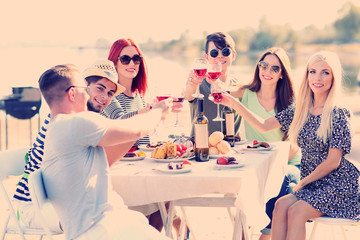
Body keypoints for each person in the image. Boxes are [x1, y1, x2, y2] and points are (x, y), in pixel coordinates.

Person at [213, 51, 360, 240]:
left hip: (339, 186)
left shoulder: (339, 113)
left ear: (333, 78)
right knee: (280, 206)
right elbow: (264, 125)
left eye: (325, 72)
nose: (317, 78)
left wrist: (303, 183)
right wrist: (233, 102)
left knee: (296, 212)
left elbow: (333, 162)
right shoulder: (301, 109)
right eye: (312, 71)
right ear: (306, 75)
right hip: (313, 184)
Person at [39, 63, 172, 240]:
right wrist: (157, 113)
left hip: (104, 225)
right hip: (103, 229)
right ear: (72, 93)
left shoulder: (58, 128)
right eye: (84, 89)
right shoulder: (76, 123)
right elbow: (137, 129)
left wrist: (139, 125)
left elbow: (106, 159)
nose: (87, 94)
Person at [13, 59, 127, 232]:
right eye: (99, 88)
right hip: (35, 205)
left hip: (56, 199)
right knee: (98, 216)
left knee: (111, 208)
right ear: (84, 88)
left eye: (111, 93)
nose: (104, 97)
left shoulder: (74, 118)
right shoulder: (68, 122)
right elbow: (108, 159)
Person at [102, 38, 184, 233]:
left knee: (170, 191)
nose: (132, 63)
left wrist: (160, 113)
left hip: (141, 165)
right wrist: (151, 111)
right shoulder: (109, 94)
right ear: (114, 62)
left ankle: (164, 230)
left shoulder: (138, 95)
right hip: (121, 169)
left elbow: (146, 134)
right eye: (125, 59)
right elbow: (122, 121)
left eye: (136, 59)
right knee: (166, 196)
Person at [230, 47, 300, 239]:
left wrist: (269, 168)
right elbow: (221, 88)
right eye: (264, 65)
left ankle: (266, 235)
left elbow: (293, 148)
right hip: (254, 162)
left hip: (289, 163)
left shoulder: (291, 103)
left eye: (274, 69)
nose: (267, 72)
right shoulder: (245, 93)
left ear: (282, 75)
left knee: (282, 179)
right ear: (258, 67)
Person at [184, 32, 241, 136]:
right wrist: (192, 85)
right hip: (202, 148)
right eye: (214, 53)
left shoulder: (239, 86)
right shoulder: (198, 81)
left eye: (225, 52)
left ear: (233, 55)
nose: (220, 56)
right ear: (206, 57)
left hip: (232, 148)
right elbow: (188, 95)